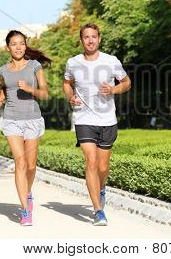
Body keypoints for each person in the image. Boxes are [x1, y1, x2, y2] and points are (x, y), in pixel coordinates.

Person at [62, 23, 131, 226]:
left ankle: (101, 188)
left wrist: (113, 90)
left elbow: (126, 83)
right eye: (86, 37)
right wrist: (70, 97)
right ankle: (98, 210)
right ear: (81, 40)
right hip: (83, 119)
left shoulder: (111, 61)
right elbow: (67, 83)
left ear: (99, 39)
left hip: (107, 120)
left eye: (94, 37)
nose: (90, 40)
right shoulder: (73, 62)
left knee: (102, 166)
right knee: (91, 162)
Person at [0, 30, 50, 226]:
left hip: (32, 119)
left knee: (32, 165)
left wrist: (29, 89)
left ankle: (27, 192)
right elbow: (5, 87)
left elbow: (44, 94)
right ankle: (25, 210)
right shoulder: (3, 70)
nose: (18, 47)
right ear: (8, 47)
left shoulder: (35, 66)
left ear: (25, 46)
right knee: (20, 163)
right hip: (11, 120)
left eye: (22, 43)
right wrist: (1, 97)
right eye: (14, 44)